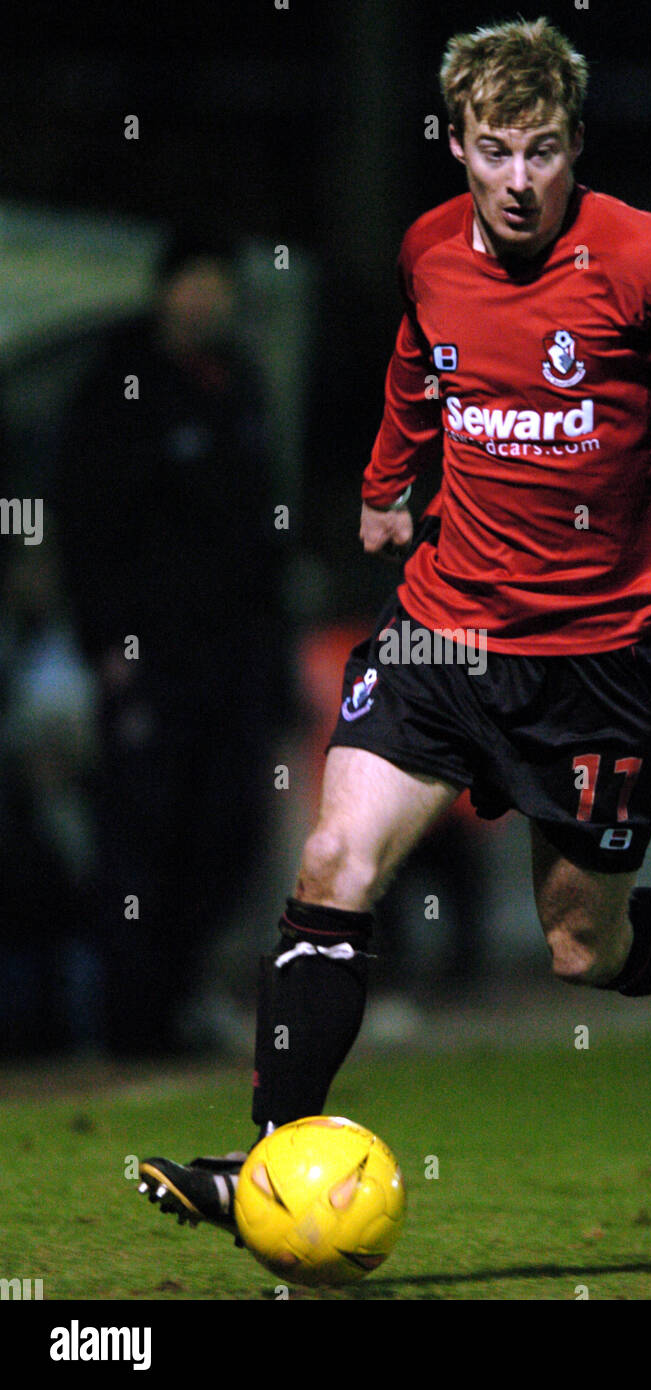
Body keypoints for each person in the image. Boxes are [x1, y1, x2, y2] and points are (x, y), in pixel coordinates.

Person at [137, 19, 651, 1234]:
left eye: (539, 152)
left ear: (572, 144)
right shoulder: (430, 249)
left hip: (595, 667)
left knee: (583, 947)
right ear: (457, 145)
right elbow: (419, 364)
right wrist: (383, 480)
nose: (516, 182)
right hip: (441, 632)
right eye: (491, 151)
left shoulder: (642, 257)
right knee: (331, 868)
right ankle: (263, 1162)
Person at [55, 231, 289, 1056]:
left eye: (217, 285)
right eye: (192, 284)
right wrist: (107, 644)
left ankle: (175, 997)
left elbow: (265, 534)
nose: (205, 300)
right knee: (140, 837)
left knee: (226, 832)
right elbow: (84, 528)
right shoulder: (117, 390)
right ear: (164, 292)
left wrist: (277, 662)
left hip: (233, 660)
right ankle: (129, 1020)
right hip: (149, 657)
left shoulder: (241, 385)